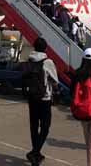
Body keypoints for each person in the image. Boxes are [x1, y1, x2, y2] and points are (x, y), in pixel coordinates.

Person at [26, 38, 59, 166]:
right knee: (45, 127)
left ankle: (36, 154)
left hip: (32, 97)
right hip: (44, 98)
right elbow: (55, 80)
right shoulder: (47, 62)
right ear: (45, 48)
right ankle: (34, 152)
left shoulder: (30, 60)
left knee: (34, 126)